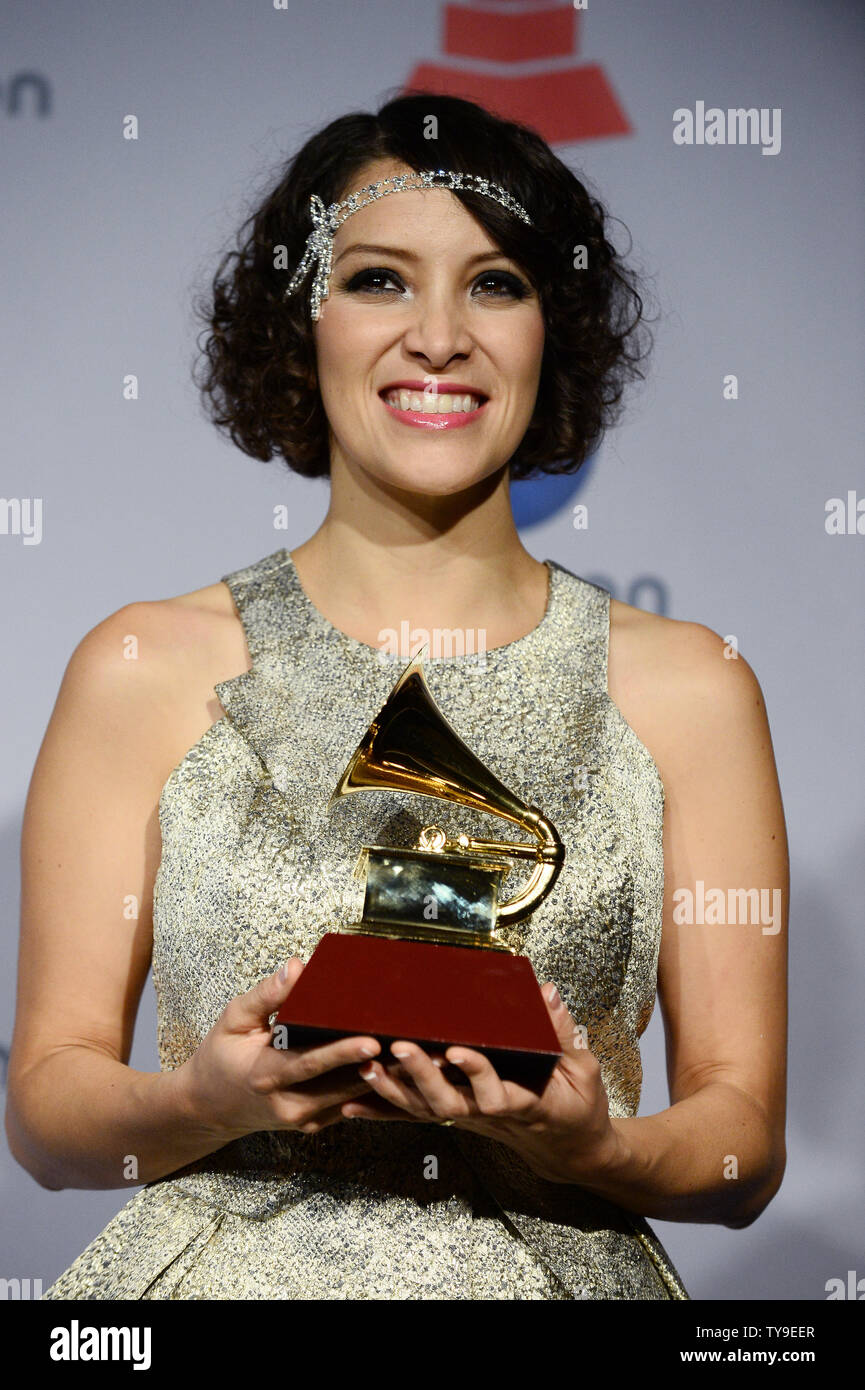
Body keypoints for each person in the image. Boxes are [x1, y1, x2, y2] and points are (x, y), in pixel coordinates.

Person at [7, 92, 788, 1301]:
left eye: (495, 283)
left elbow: (740, 1148)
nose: (437, 336)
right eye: (378, 279)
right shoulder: (142, 666)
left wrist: (596, 1145)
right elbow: (49, 1115)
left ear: (551, 331)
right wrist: (201, 1104)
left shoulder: (690, 685)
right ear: (298, 321)